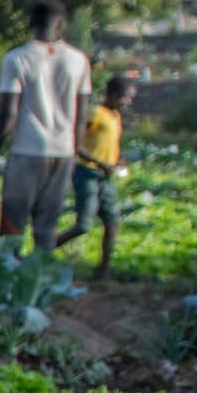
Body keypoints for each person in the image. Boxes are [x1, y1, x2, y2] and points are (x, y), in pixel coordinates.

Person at [0, 1, 90, 255]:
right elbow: (82, 113)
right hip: (63, 152)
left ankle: (10, 283)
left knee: (13, 227)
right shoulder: (78, 60)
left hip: (27, 150)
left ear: (31, 23)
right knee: (46, 228)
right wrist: (74, 152)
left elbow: (8, 113)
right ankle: (40, 284)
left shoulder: (17, 58)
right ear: (61, 25)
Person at [59, 71, 132, 274]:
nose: (127, 102)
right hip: (87, 173)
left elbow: (106, 145)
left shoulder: (115, 117)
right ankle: (44, 250)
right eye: (125, 97)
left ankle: (104, 270)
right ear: (112, 95)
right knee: (83, 225)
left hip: (105, 176)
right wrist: (100, 163)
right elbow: (77, 144)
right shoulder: (95, 114)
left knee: (112, 221)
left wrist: (115, 161)